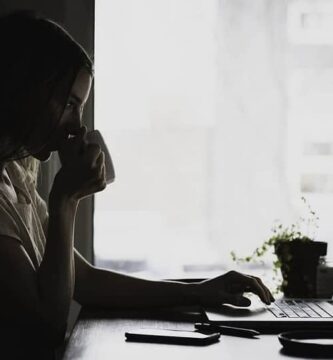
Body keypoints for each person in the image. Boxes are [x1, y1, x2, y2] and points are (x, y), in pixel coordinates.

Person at [0, 10, 274, 354]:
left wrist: (198, 291)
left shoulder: (15, 174)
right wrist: (65, 201)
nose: (77, 127)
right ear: (29, 91)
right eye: (70, 104)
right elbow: (46, 326)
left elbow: (80, 280)